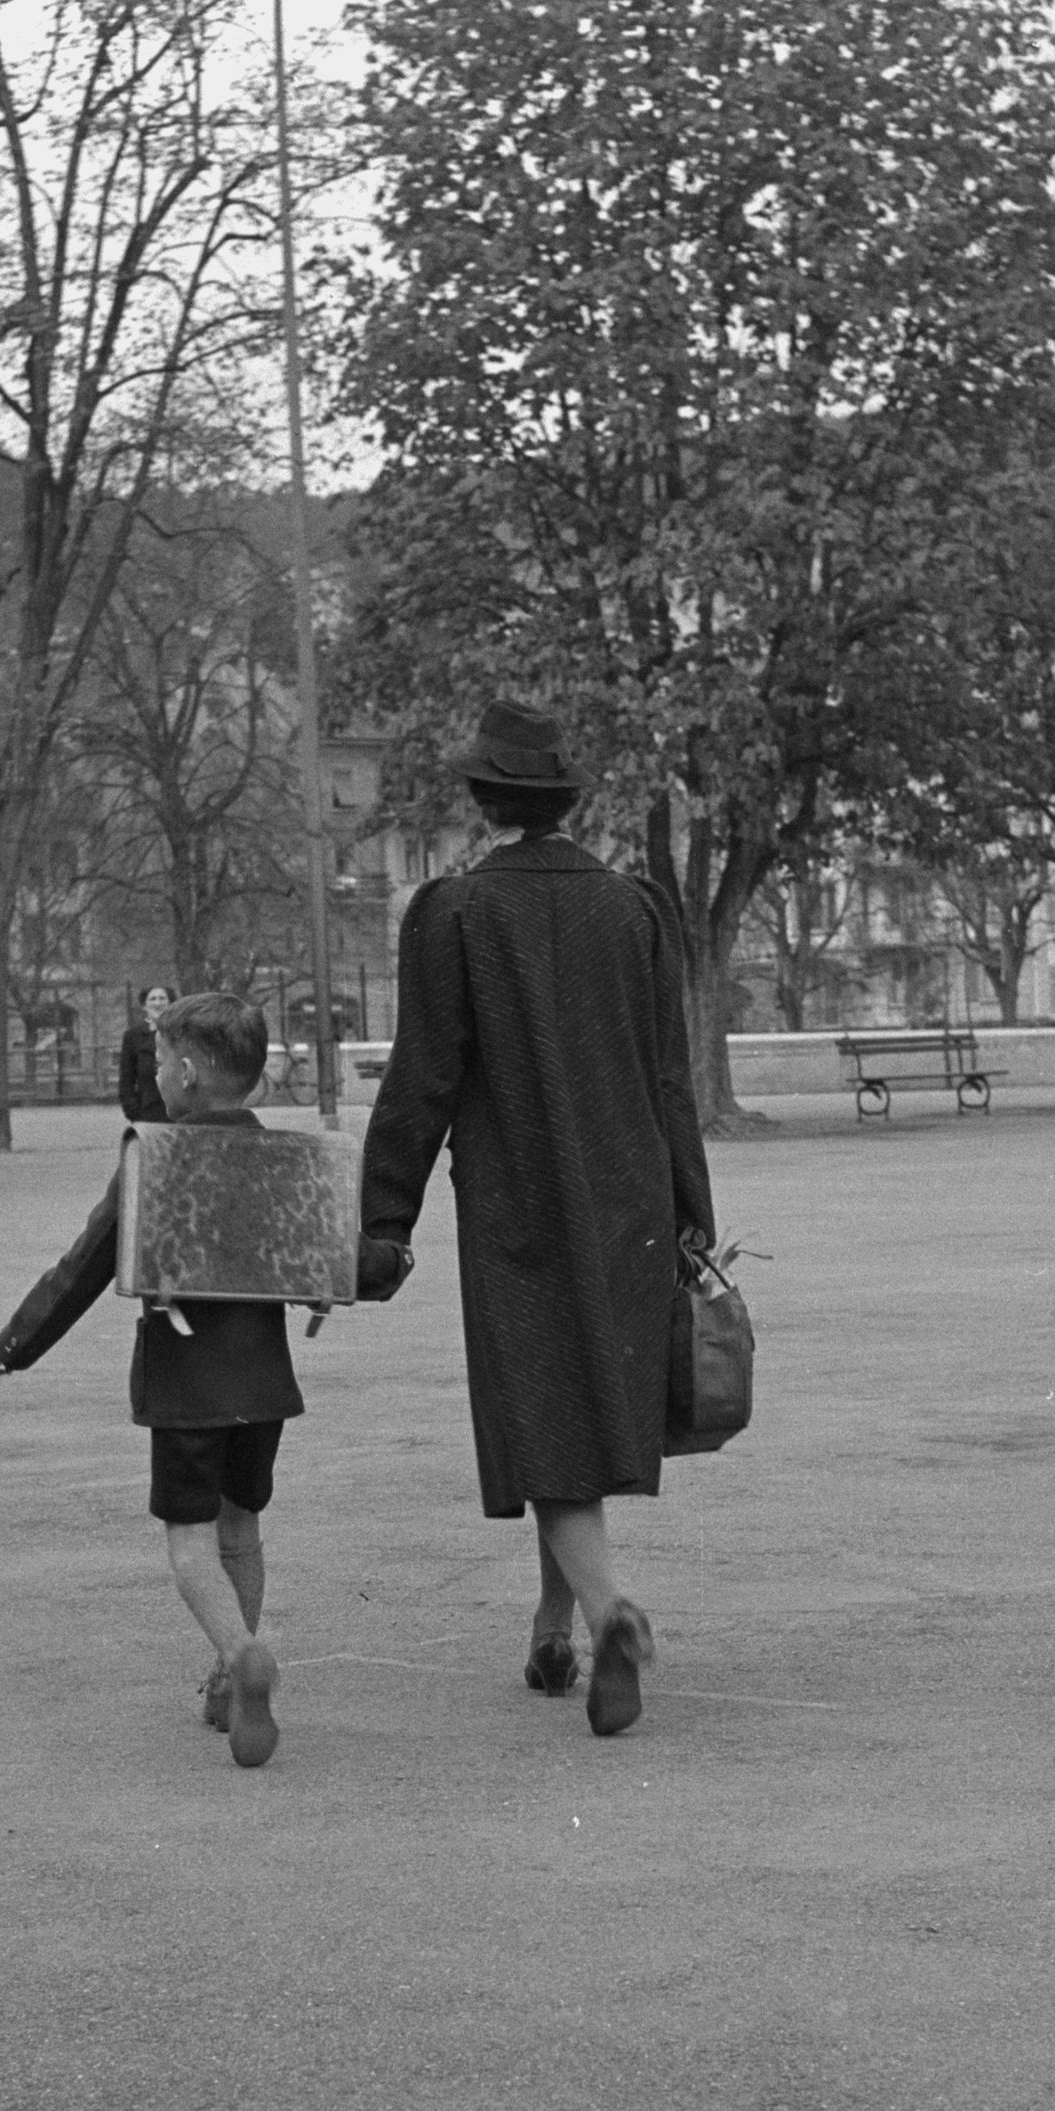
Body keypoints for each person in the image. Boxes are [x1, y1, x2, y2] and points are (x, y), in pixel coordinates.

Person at [357, 699, 714, 1738]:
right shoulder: (637, 909)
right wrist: (693, 1211)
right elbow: (670, 1075)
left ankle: (608, 1616)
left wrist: (385, 1220)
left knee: (540, 1414)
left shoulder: (457, 913)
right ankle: (550, 1629)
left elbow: (423, 1078)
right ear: (567, 801)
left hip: (517, 1204)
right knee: (568, 1413)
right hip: (632, 1200)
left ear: (482, 800)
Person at [0, 991, 312, 1770]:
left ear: (186, 1073)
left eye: (159, 1060)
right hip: (265, 1385)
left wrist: (15, 1343)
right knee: (241, 1529)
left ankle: (241, 1655)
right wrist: (389, 1263)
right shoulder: (285, 1160)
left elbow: (85, 1266)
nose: (154, 1073)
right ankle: (228, 1688)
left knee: (190, 1540)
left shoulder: (154, 1159)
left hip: (185, 1384)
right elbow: (332, 1257)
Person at [117, 984, 176, 1122]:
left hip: (179, 1113)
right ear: (144, 1005)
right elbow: (126, 1079)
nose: (158, 1003)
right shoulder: (133, 1036)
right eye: (153, 999)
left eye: (162, 999)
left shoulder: (182, 1033)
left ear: (171, 1004)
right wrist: (133, 1112)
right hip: (148, 1113)